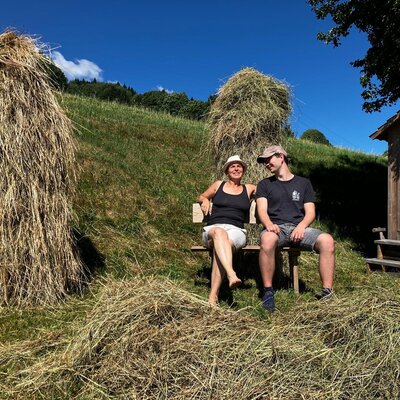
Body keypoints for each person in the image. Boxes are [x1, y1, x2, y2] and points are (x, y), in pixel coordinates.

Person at [255, 145, 335, 311]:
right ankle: (268, 292)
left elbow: (310, 212)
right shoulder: (264, 184)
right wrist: (269, 224)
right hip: (277, 229)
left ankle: (327, 292)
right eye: (264, 161)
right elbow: (261, 210)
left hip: (299, 228)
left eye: (268, 159)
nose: (266, 164)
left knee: (327, 241)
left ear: (281, 157)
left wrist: (301, 226)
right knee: (267, 239)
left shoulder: (303, 183)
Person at [198, 155, 256, 305]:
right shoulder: (218, 185)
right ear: (227, 171)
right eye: (232, 166)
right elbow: (203, 195)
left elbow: (268, 192)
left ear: (243, 170)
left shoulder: (249, 188)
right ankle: (231, 274)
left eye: (239, 166)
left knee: (221, 245)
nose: (236, 169)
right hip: (212, 229)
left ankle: (212, 297)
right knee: (219, 234)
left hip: (236, 231)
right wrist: (204, 200)